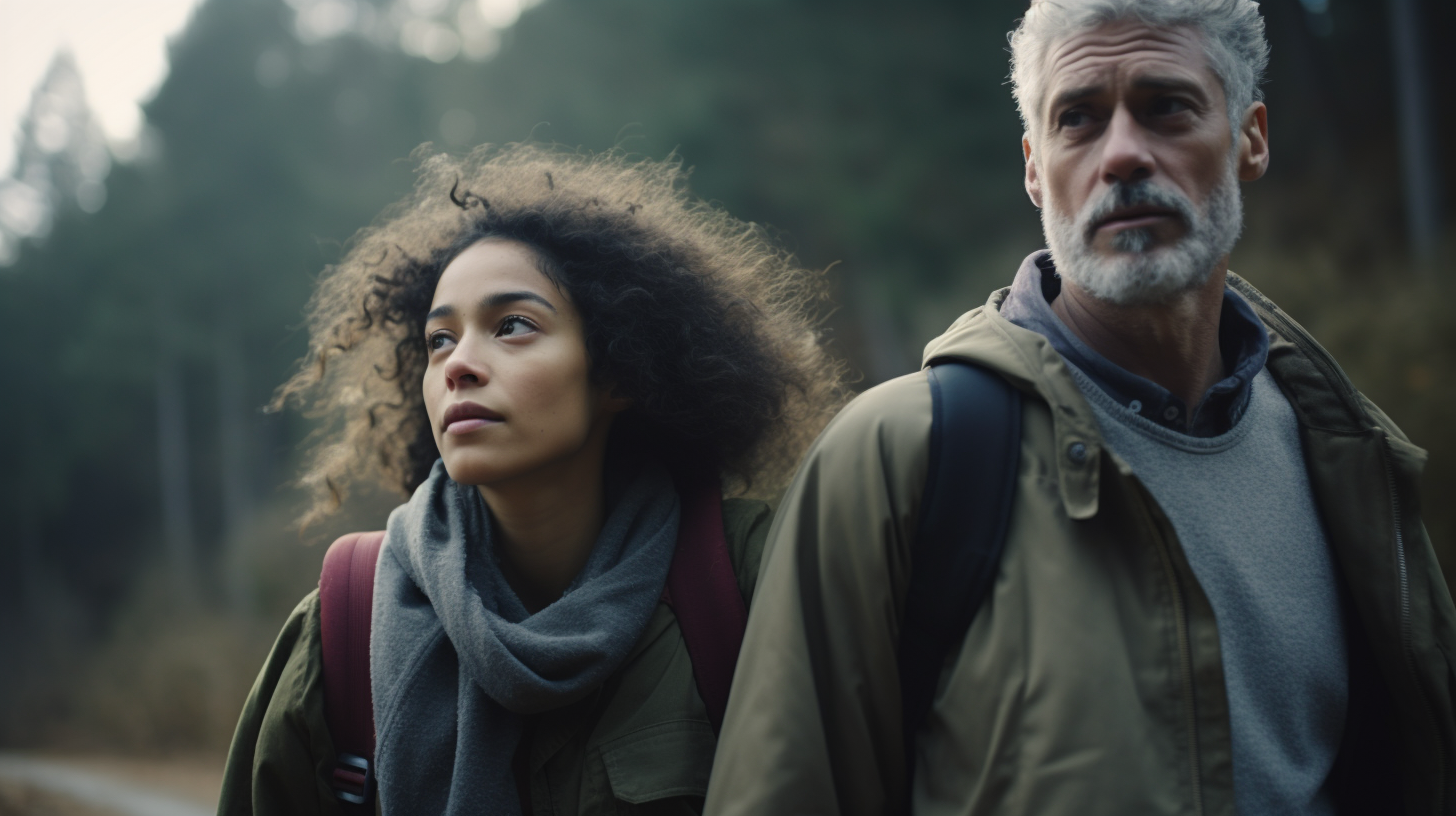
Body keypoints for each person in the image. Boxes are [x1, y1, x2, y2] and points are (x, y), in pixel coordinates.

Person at [705, 2, 1456, 815]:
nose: (1125, 153)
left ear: (1251, 138)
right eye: (1079, 119)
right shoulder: (898, 459)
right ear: (1035, 166)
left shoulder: (1342, 447)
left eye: (1167, 106)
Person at [216, 144, 845, 816]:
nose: (459, 365)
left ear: (618, 372)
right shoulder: (345, 630)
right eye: (439, 340)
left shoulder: (752, 580)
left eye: (511, 326)